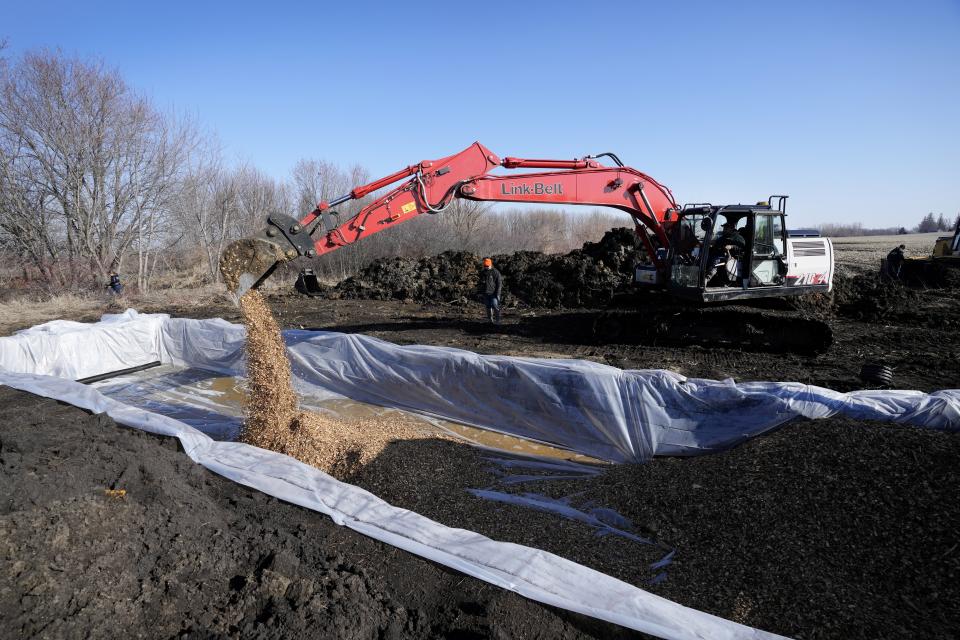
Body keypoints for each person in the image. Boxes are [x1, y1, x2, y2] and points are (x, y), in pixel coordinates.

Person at [481, 258, 502, 324]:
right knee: (488, 306)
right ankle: (490, 320)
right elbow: (480, 283)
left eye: (487, 266)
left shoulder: (495, 272)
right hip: (485, 293)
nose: (486, 267)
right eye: (485, 266)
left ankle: (497, 321)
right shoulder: (482, 272)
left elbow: (499, 284)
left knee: (495, 306)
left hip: (493, 293)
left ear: (491, 265)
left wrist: (498, 294)